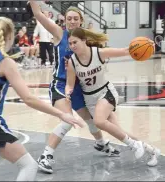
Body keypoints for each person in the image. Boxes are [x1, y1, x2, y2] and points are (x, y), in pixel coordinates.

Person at [0, 17, 84, 181]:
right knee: (29, 165)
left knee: (1, 147)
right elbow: (29, 99)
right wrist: (61, 114)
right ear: (9, 36)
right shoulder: (5, 62)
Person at [29, 1, 120, 174]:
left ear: (80, 22)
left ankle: (101, 144)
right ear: (65, 21)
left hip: (79, 87)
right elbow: (39, 15)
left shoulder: (86, 40)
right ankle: (46, 156)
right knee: (67, 120)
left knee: (92, 120)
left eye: (75, 19)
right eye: (69, 18)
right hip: (61, 84)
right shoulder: (59, 33)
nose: (72, 21)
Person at [65, 27, 161, 167]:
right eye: (70, 43)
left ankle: (134, 145)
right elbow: (69, 84)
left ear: (84, 41)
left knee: (98, 121)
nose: (72, 46)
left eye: (75, 42)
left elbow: (125, 50)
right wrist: (68, 92)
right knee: (120, 132)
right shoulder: (72, 62)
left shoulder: (99, 53)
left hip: (106, 92)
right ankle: (152, 151)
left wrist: (148, 44)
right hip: (90, 100)